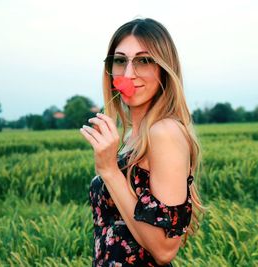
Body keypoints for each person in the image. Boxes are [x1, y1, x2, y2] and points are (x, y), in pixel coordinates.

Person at [80, 17, 205, 267]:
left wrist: (108, 170)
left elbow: (164, 249)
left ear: (163, 68)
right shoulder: (132, 138)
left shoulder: (164, 132)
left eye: (144, 60)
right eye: (120, 60)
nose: (128, 74)